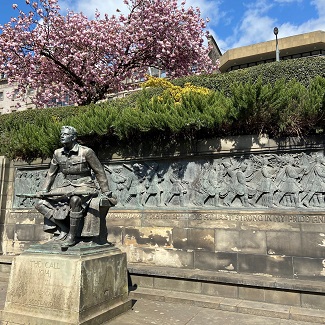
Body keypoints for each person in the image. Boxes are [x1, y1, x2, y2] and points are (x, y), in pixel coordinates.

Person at [35, 126, 114, 248]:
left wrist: (106, 191)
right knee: (40, 203)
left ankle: (72, 237)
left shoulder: (86, 152)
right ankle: (64, 228)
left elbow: (99, 172)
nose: (62, 136)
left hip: (85, 186)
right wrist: (44, 190)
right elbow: (51, 174)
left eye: (65, 134)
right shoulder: (57, 153)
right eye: (61, 134)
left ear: (73, 137)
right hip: (67, 186)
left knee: (75, 200)